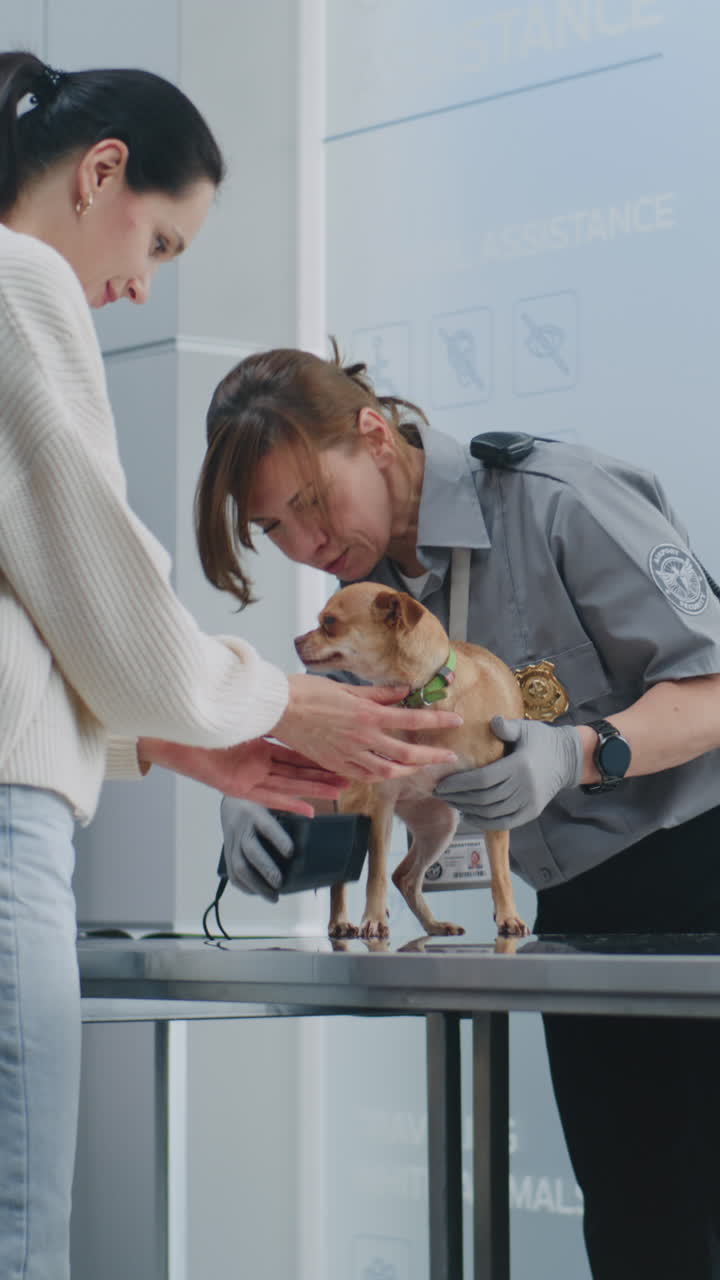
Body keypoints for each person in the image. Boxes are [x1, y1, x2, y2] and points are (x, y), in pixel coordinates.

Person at [0, 53, 463, 1279]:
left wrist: (165, 739)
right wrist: (282, 701)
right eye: (156, 240)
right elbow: (99, 575)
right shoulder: (19, 282)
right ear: (102, 174)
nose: (138, 285)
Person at [197, 341, 720, 1280]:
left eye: (313, 503)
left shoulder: (558, 498)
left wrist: (580, 752)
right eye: (275, 527)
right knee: (646, 1235)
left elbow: (714, 688)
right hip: (589, 923)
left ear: (373, 433)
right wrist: (281, 819)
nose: (306, 547)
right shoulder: (371, 612)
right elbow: (378, 776)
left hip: (703, 876)